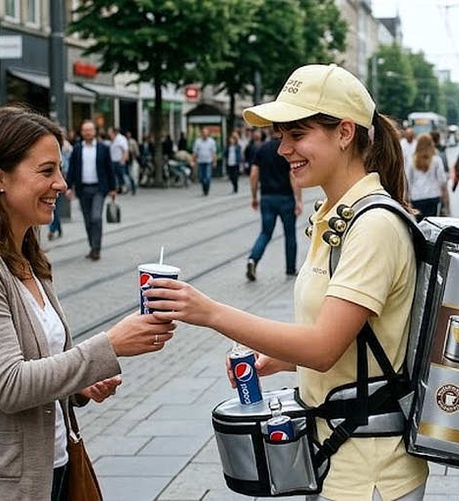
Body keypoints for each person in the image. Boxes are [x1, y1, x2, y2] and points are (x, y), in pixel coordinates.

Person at [146, 64, 429, 501]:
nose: (283, 149)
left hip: (369, 473)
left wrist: (211, 312)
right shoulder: (337, 216)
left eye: (296, 135)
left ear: (345, 133)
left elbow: (322, 347)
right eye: (281, 136)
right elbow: (357, 347)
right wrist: (275, 359)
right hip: (337, 458)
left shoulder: (373, 226)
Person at [0, 106, 175, 500]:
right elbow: (10, 385)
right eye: (46, 171)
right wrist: (109, 346)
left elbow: (39, 363)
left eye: (60, 169)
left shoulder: (25, 252)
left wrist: (80, 387)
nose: (62, 183)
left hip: (46, 470)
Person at [246, 131, 301, 281]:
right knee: (290, 234)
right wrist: (298, 199)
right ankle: (290, 269)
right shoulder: (287, 150)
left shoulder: (262, 149)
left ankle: (253, 259)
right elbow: (292, 175)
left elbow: (253, 174)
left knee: (265, 233)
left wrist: (254, 196)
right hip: (286, 198)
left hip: (267, 198)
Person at [65, 120, 117, 261]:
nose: (88, 132)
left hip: (99, 189)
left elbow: (109, 169)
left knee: (96, 217)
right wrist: (69, 187)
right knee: (88, 221)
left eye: (90, 130)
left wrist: (113, 188)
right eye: (85, 130)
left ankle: (96, 249)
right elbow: (72, 169)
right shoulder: (77, 149)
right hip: (83, 190)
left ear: (95, 132)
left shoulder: (103, 148)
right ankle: (92, 246)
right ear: (82, 132)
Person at [406, 133, 446, 218]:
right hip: (433, 195)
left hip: (417, 196)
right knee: (431, 223)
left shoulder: (412, 161)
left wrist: (407, 197)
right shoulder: (436, 160)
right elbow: (442, 179)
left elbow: (408, 180)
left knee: (419, 224)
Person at [109, 126, 135, 196]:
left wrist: (123, 159)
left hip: (120, 160)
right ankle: (120, 188)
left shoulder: (121, 139)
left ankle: (131, 188)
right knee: (117, 176)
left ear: (115, 132)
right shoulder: (113, 139)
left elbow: (125, 150)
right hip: (113, 160)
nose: (109, 133)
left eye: (110, 132)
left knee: (125, 175)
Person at [193, 128, 217, 196]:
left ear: (208, 134)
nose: (205, 134)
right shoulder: (197, 142)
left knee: (207, 177)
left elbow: (213, 153)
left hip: (208, 161)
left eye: (206, 133)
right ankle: (204, 188)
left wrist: (214, 161)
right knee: (201, 177)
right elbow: (195, 152)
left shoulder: (211, 142)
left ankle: (206, 189)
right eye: (203, 133)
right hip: (200, 161)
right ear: (201, 134)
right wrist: (193, 161)